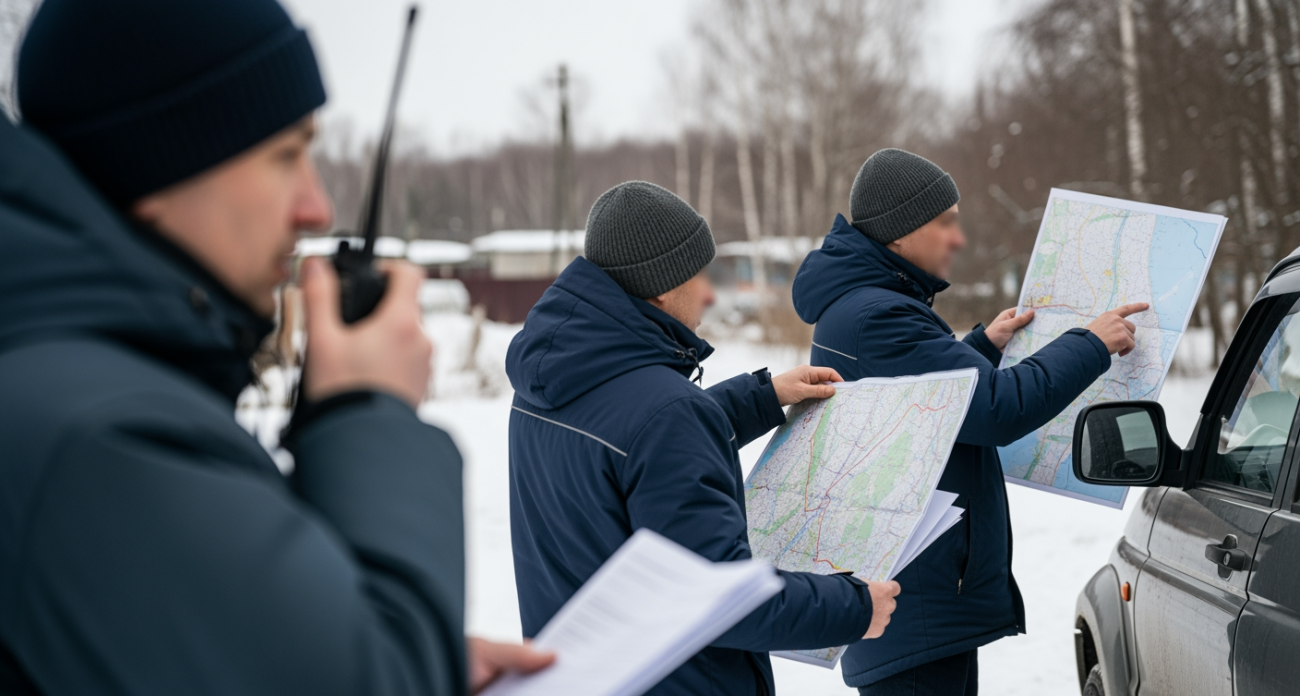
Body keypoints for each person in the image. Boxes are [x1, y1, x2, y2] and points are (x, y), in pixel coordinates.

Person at [0, 0, 551, 693]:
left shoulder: (65, 382)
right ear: (155, 167)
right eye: (285, 155)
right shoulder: (93, 438)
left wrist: (372, 641)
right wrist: (366, 409)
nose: (316, 208)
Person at [505, 181, 902, 696]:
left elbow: (624, 448)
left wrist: (759, 397)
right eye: (701, 275)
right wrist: (854, 606)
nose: (711, 293)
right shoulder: (667, 415)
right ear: (663, 286)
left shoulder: (547, 382)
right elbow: (722, 599)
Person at [791, 149, 1146, 695]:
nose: (958, 238)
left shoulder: (863, 304)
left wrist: (979, 347)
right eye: (946, 223)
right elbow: (997, 409)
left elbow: (917, 397)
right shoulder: (881, 314)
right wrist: (1091, 343)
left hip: (912, 598)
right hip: (916, 605)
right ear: (902, 230)